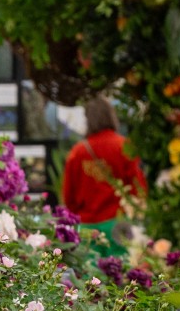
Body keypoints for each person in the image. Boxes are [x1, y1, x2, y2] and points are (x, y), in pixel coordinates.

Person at [60, 96, 148, 254]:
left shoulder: (77, 153)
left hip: (87, 226)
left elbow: (68, 198)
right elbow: (138, 187)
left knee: (90, 276)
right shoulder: (124, 146)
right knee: (122, 271)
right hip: (117, 221)